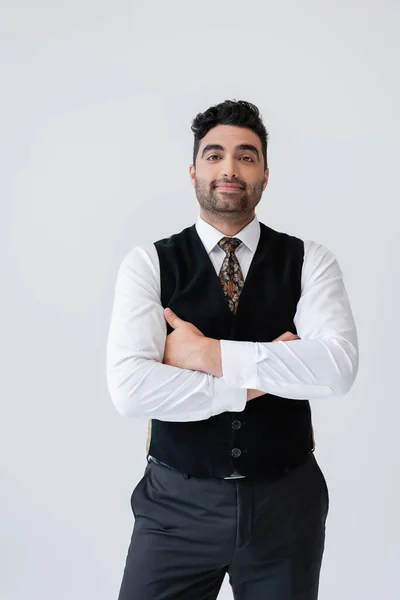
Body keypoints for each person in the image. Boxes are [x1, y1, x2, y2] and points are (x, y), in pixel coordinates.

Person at [106, 99, 359, 600]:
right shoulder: (148, 264)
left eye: (246, 156)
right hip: (175, 506)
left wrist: (205, 355)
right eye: (214, 154)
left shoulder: (310, 261)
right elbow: (131, 391)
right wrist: (261, 380)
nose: (229, 168)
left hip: (286, 506)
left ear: (265, 173)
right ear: (194, 169)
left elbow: (336, 368)